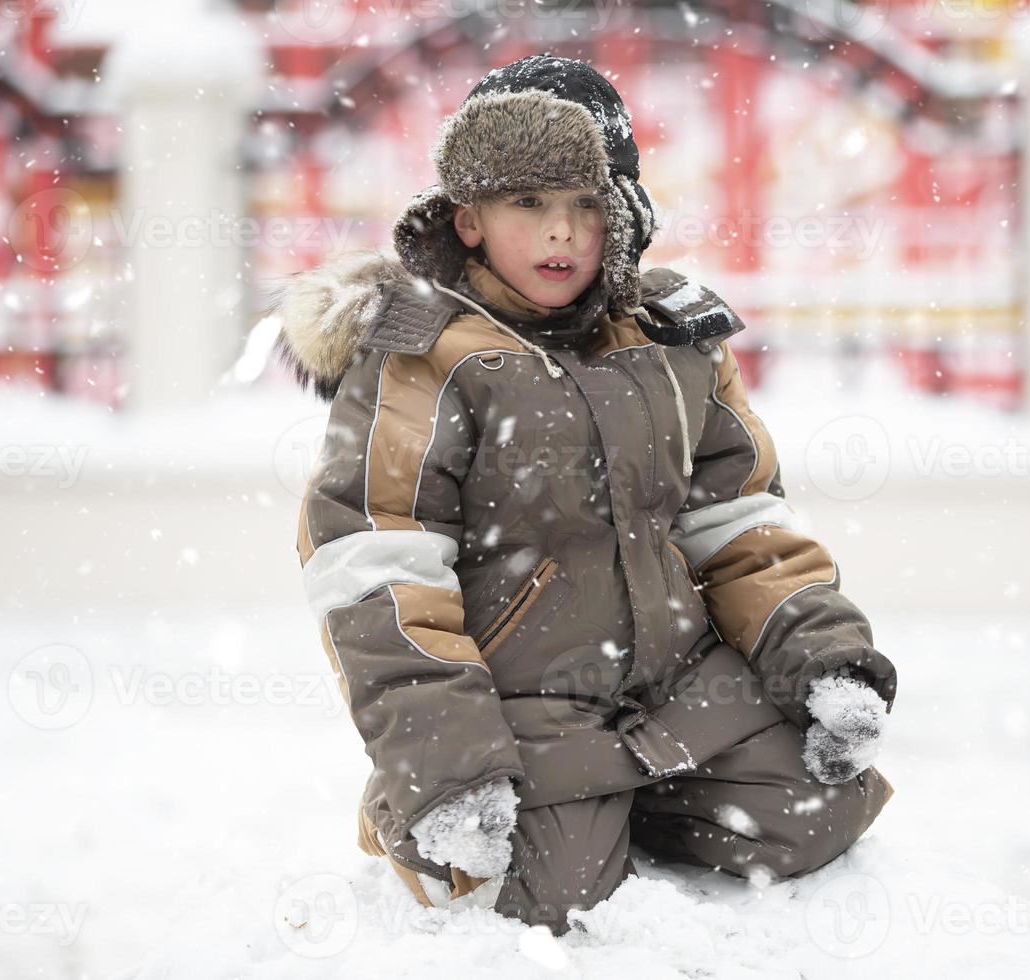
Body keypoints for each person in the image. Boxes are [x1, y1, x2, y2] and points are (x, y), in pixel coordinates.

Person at [270, 53, 898, 936]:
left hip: (677, 688)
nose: (561, 234)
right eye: (528, 204)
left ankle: (624, 798)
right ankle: (458, 818)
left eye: (587, 206)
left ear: (625, 215)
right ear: (470, 218)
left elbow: (740, 520)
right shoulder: (425, 357)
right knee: (551, 899)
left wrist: (822, 654)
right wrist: (443, 761)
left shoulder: (673, 339)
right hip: (521, 706)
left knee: (822, 810)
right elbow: (378, 563)